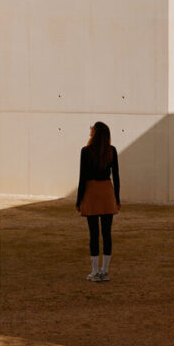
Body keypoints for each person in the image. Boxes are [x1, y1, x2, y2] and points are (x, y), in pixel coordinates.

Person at [76, 121, 121, 282]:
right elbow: (116, 176)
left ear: (95, 133)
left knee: (94, 234)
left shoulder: (86, 151)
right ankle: (105, 270)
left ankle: (95, 271)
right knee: (107, 234)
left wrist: (79, 200)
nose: (90, 131)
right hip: (107, 193)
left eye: (92, 129)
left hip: (91, 193)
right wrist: (117, 198)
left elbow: (82, 177)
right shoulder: (112, 151)